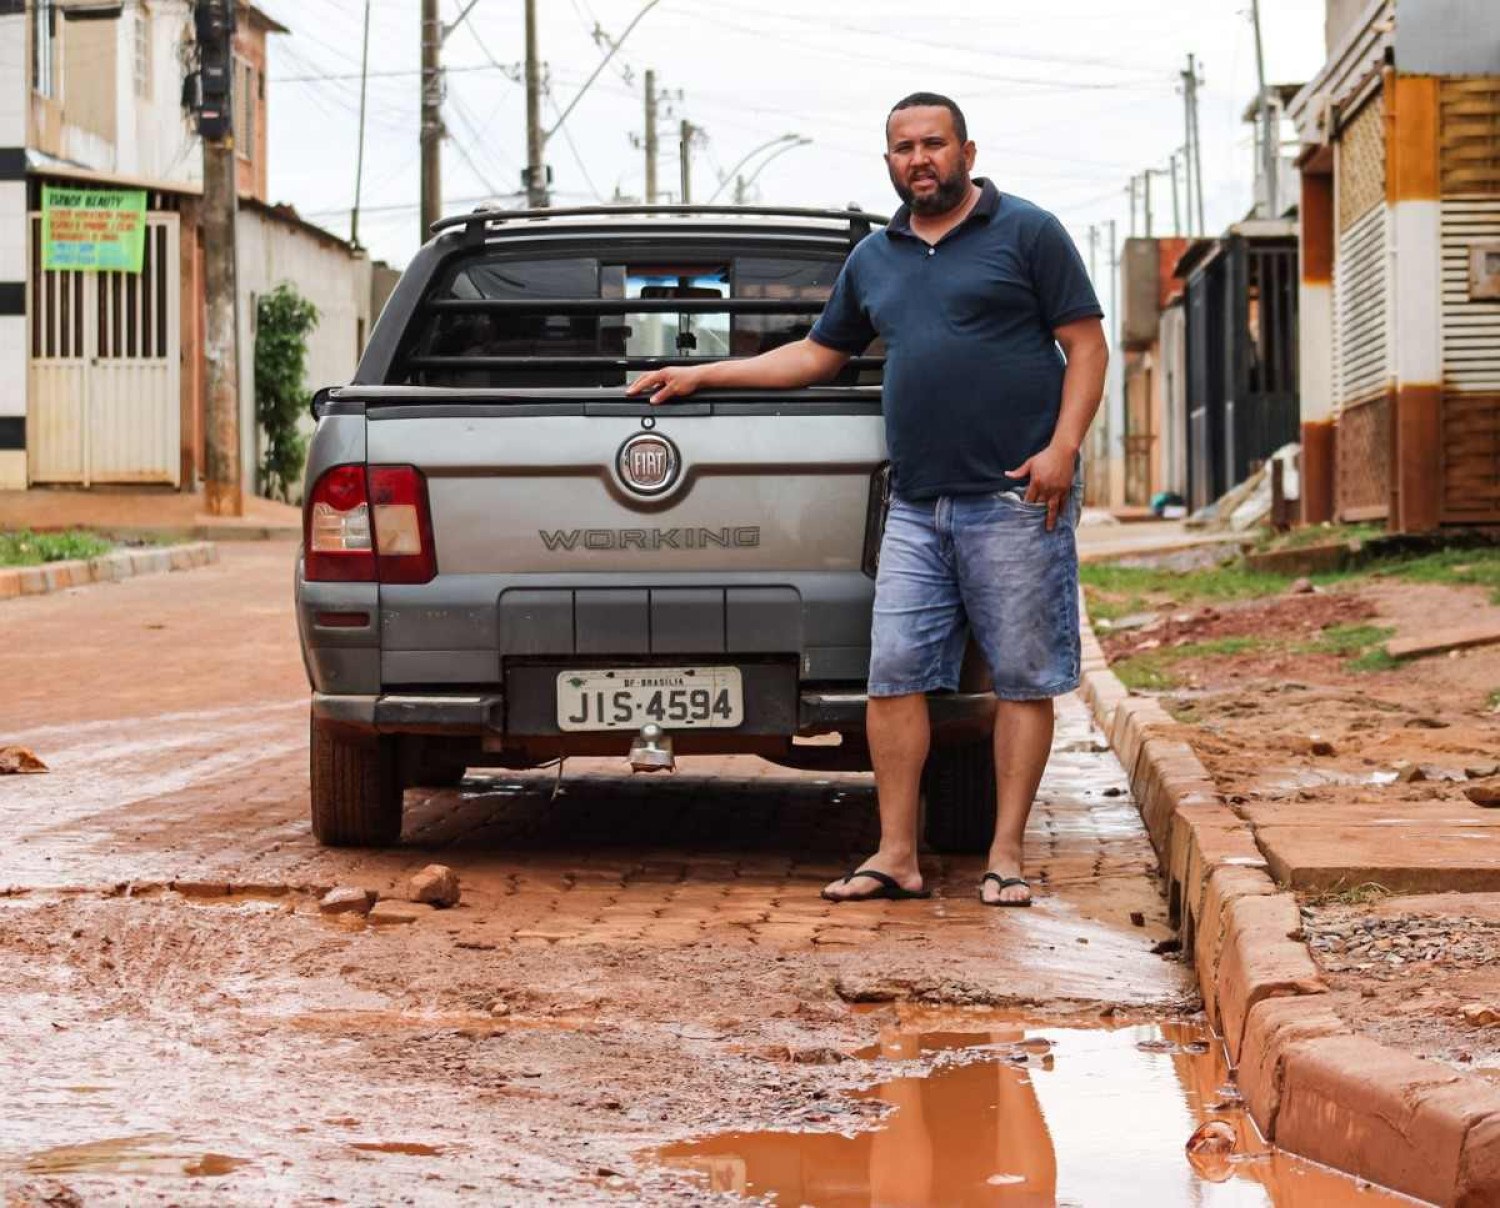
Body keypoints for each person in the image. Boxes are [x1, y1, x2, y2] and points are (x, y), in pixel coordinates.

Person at [626, 91, 1108, 907]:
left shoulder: (1028, 232)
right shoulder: (874, 257)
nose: (919, 159)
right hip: (917, 506)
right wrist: (703, 371)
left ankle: (1007, 856)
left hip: (1016, 496)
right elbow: (817, 355)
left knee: (1024, 682)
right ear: (888, 161)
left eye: (934, 144)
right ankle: (896, 856)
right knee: (894, 679)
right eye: (903, 148)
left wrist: (1062, 448)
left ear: (968, 152)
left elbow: (1086, 343)